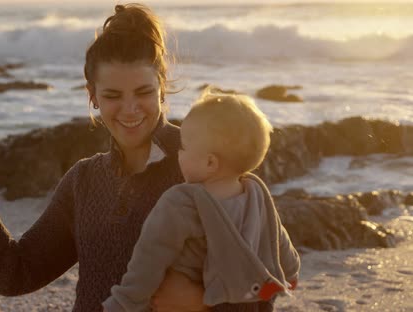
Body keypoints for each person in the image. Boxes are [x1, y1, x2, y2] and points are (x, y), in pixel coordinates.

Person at [0, 3, 274, 312]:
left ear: (162, 88)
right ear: (93, 97)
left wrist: (201, 301)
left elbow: (263, 292)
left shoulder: (208, 166)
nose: (131, 108)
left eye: (144, 92)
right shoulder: (84, 181)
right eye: (113, 95)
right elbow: (16, 274)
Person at [102, 92, 301, 312]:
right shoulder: (258, 196)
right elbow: (280, 246)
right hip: (251, 302)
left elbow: (148, 260)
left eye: (184, 147)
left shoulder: (182, 202)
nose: (178, 153)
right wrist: (290, 276)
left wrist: (124, 302)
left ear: (210, 163)